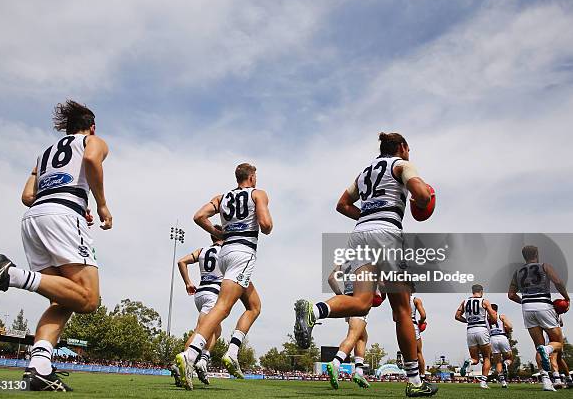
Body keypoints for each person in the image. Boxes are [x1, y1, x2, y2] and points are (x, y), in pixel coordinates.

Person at [0, 100, 112, 391]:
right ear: (92, 126)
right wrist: (102, 206)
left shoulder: (44, 154)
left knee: (63, 299)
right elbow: (91, 161)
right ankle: (11, 274)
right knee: (88, 299)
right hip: (63, 216)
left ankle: (39, 367)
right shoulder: (93, 140)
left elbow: (26, 195)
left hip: (34, 218)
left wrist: (65, 201)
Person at [293, 132, 438, 397]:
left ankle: (314, 311)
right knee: (402, 311)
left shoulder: (365, 173)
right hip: (387, 232)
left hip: (360, 233)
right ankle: (416, 382)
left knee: (361, 302)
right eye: (409, 149)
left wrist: (369, 215)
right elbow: (422, 195)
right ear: (402, 148)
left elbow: (342, 204)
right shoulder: (401, 165)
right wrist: (425, 197)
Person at [175, 163, 272, 390]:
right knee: (223, 307)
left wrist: (216, 232)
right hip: (243, 253)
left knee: (254, 305)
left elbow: (199, 216)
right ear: (252, 177)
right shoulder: (258, 194)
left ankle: (232, 352)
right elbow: (266, 226)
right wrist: (260, 221)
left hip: (225, 254)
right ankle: (190, 355)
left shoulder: (222, 198)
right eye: (256, 175)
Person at [508, 245, 569, 392]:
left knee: (538, 346)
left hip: (527, 309)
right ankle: (547, 349)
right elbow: (558, 282)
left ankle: (546, 383)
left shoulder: (517, 272)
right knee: (557, 343)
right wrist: (566, 298)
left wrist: (524, 301)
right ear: (537, 253)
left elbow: (511, 295)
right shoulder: (544, 266)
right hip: (543, 305)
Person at [172, 225, 225, 386]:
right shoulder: (226, 251)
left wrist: (188, 283)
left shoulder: (202, 250)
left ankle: (202, 359)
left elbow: (182, 262)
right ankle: (187, 361)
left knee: (216, 330)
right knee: (201, 330)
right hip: (213, 294)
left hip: (200, 293)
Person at [324, 262, 375, 390]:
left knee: (362, 336)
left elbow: (331, 279)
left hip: (348, 299)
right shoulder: (367, 261)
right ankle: (336, 362)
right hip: (360, 299)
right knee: (353, 335)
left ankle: (359, 371)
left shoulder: (343, 263)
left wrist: (340, 296)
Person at [455, 284, 498, 389]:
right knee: (487, 357)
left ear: (472, 291)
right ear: (481, 291)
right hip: (482, 329)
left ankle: (469, 362)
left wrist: (467, 321)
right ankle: (483, 382)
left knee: (475, 358)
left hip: (470, 330)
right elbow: (494, 319)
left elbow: (457, 316)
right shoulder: (484, 301)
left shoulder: (465, 302)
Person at [488, 304, 514, 388]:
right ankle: (506, 364)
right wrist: (508, 329)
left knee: (498, 362)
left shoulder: (486, 319)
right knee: (510, 357)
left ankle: (503, 382)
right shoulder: (501, 316)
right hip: (502, 337)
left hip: (492, 339)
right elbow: (510, 326)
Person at [410, 289, 427, 380]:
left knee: (406, 353)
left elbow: (395, 317)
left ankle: (411, 376)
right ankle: (422, 376)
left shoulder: (398, 300)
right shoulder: (416, 300)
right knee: (419, 352)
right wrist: (420, 322)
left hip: (401, 326)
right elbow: (423, 315)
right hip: (413, 324)